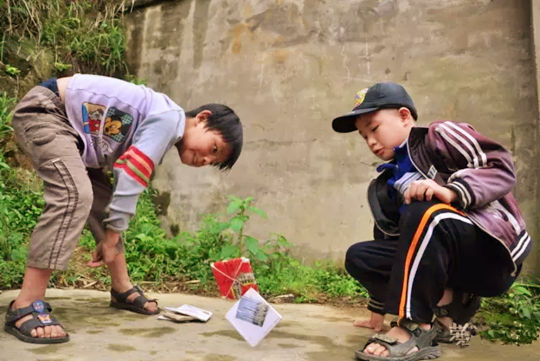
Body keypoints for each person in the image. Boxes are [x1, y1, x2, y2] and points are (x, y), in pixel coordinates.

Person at [4, 74, 243, 344]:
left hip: (75, 134)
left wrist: (112, 231)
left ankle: (121, 287)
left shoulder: (163, 121)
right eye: (213, 147)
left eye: (213, 160)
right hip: (47, 111)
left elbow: (124, 170)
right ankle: (26, 304)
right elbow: (132, 172)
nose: (206, 159)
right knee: (75, 194)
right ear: (202, 118)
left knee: (105, 203)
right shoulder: (170, 119)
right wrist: (112, 236)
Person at [331, 82, 531, 361]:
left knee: (425, 209)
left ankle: (415, 325)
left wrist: (452, 191)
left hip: (492, 257)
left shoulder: (440, 135)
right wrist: (377, 311)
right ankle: (447, 313)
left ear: (404, 116)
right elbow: (398, 247)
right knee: (360, 256)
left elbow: (499, 165)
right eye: (364, 136)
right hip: (447, 259)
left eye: (374, 128)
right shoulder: (386, 184)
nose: (371, 141)